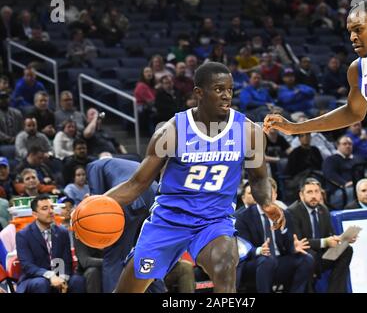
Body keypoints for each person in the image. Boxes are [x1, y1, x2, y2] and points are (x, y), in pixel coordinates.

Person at [264, 0, 367, 285]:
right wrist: (296, 128)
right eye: (349, 30)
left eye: (359, 28)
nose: (352, 37)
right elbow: (352, 112)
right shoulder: (358, 70)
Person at [103, 62, 285, 293]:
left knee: (225, 264)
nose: (226, 96)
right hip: (169, 221)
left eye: (230, 89)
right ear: (199, 92)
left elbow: (259, 179)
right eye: (219, 89)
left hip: (214, 221)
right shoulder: (172, 131)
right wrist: (98, 203)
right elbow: (137, 183)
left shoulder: (249, 132)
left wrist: (267, 203)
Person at [86, 157, 158, 293]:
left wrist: (83, 209)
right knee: (148, 254)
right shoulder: (125, 163)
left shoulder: (93, 165)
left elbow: (98, 203)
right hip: (156, 198)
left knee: (113, 256)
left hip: (130, 197)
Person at [235, 178, 313, 293]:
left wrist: (292, 246)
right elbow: (242, 249)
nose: (266, 196)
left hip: (278, 261)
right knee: (267, 261)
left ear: (275, 195)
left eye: (269, 193)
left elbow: (288, 246)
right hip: (254, 262)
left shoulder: (284, 214)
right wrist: (259, 250)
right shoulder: (243, 217)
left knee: (306, 259)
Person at [288, 178, 355, 293]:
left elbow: (330, 235)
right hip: (303, 255)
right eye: (309, 192)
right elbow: (299, 242)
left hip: (321, 256)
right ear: (301, 195)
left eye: (316, 191)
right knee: (309, 256)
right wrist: (325, 242)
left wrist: (342, 239)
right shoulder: (292, 212)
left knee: (346, 249)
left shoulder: (323, 209)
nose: (314, 195)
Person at [15, 194, 86, 293]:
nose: (51, 211)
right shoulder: (23, 235)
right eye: (45, 208)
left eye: (52, 207)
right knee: (41, 283)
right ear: (35, 214)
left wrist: (62, 278)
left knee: (78, 281)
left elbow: (67, 261)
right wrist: (50, 275)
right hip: (35, 278)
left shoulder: (62, 232)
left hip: (58, 276)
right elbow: (27, 266)